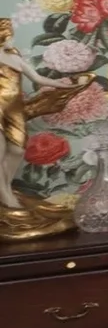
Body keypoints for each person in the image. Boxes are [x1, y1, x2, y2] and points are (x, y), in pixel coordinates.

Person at [0, 20, 92, 238]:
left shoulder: (14, 58)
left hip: (15, 111)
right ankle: (3, 192)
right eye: (8, 34)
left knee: (17, 151)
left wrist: (66, 85)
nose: (12, 38)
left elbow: (38, 78)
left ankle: (5, 185)